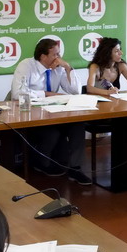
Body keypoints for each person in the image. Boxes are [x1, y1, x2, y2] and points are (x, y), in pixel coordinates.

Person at [10, 38, 91, 184]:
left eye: (59, 54)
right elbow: (18, 93)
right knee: (52, 133)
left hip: (55, 112)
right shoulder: (26, 66)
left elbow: (75, 91)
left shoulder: (58, 67)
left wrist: (68, 68)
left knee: (78, 125)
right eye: (55, 54)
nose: (59, 57)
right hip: (32, 114)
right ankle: (41, 163)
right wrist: (46, 94)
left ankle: (75, 168)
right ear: (43, 56)